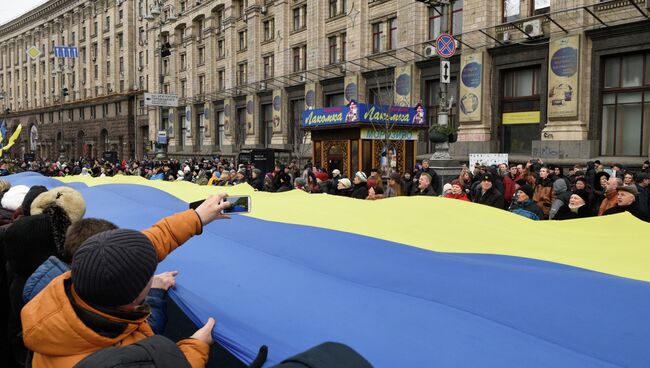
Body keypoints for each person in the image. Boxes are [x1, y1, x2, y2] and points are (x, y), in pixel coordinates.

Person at [21, 194, 232, 367]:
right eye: (148, 274)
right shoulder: (112, 360)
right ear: (135, 298)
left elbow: (146, 243)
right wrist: (197, 345)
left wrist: (196, 217)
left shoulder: (68, 295)